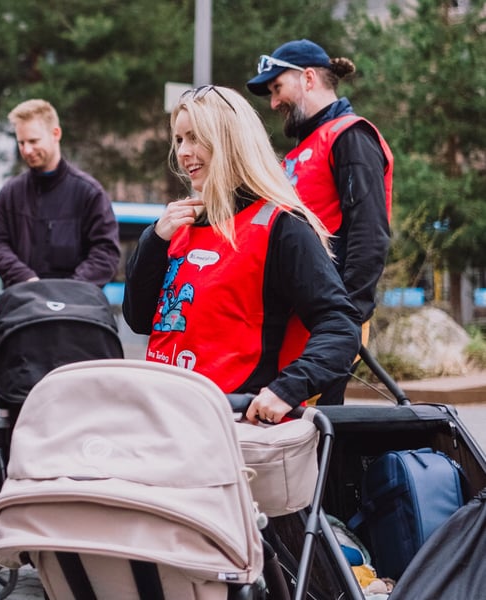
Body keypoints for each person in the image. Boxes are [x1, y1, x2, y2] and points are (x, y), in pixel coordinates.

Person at [122, 85, 360, 425]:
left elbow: (340, 325)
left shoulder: (282, 225)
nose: (184, 152)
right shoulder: (176, 227)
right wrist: (154, 241)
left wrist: (287, 390)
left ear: (229, 141)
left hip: (239, 430)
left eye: (195, 137)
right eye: (178, 140)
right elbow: (139, 319)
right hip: (167, 420)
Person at [247, 39, 394, 405]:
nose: (274, 102)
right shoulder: (301, 150)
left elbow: (369, 233)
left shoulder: (350, 136)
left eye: (277, 87)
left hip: (326, 322)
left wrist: (344, 323)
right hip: (294, 315)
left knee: (314, 433)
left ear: (308, 78)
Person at [0, 99, 120, 289]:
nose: (26, 150)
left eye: (33, 141)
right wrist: (26, 278)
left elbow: (105, 252)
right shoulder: (11, 193)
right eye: (21, 142)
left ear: (55, 133)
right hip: (22, 306)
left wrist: (68, 291)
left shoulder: (90, 193)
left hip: (77, 309)